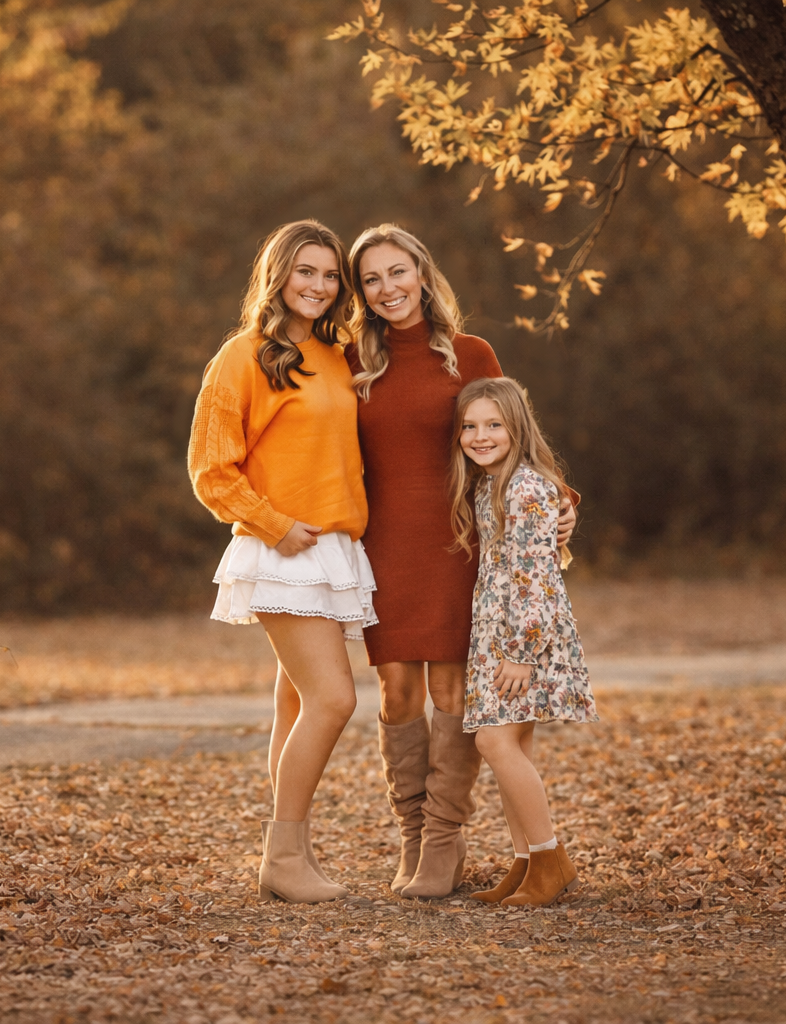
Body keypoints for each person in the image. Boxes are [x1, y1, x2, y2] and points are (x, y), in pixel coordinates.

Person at [345, 224, 575, 898]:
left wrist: (561, 497)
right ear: (361, 293)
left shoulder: (469, 353)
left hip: (455, 542)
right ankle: (413, 837)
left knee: (450, 691)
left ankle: (444, 840)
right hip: (379, 546)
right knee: (394, 694)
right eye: (372, 280)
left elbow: (512, 434)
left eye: (397, 272)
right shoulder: (351, 362)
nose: (388, 289)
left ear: (421, 272)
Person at [187, 220, 372, 903]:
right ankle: (282, 855)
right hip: (282, 548)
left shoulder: (340, 350)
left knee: (296, 702)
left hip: (336, 548)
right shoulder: (242, 356)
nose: (319, 287)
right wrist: (275, 524)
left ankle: (292, 850)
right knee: (334, 698)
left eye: (330, 276)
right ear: (278, 275)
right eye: (306, 272)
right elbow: (211, 469)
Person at [449, 376, 595, 906]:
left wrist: (521, 653)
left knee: (493, 741)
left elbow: (535, 574)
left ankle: (551, 859)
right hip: (499, 631)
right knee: (515, 745)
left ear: (517, 427)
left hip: (522, 637)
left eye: (494, 425)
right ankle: (527, 863)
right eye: (469, 426)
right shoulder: (491, 484)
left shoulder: (527, 487)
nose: (480, 436)